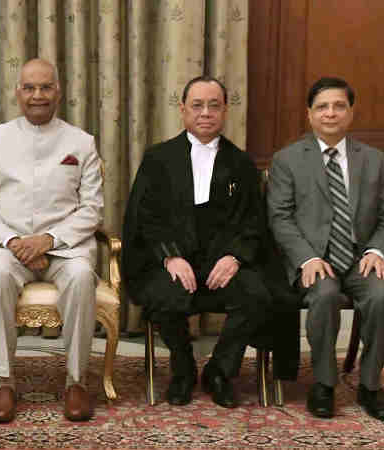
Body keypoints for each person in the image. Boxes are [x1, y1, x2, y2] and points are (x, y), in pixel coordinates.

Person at [122, 76, 272, 409]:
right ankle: (183, 369)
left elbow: (254, 222)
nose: (206, 113)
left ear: (225, 111)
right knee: (162, 295)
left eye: (214, 105)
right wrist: (169, 257)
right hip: (175, 262)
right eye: (197, 105)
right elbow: (144, 219)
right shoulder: (158, 159)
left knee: (257, 294)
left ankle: (219, 370)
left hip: (221, 263)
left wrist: (235, 257)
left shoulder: (241, 163)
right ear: (183, 110)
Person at [0, 59, 104, 423]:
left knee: (80, 277)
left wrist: (48, 241)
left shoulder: (81, 142)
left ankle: (76, 382)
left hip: (65, 246)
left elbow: (92, 209)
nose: (38, 95)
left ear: (58, 91)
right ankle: (4, 382)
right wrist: (15, 243)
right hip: (7, 246)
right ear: (18, 93)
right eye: (29, 88)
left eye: (45, 87)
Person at [267, 77, 384, 421]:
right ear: (309, 114)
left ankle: (370, 385)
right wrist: (306, 258)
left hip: (360, 260)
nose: (331, 113)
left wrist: (377, 252)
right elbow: (279, 218)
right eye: (322, 106)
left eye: (339, 106)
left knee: (382, 297)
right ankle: (324, 384)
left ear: (351, 113)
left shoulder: (374, 160)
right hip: (313, 260)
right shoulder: (287, 160)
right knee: (324, 295)